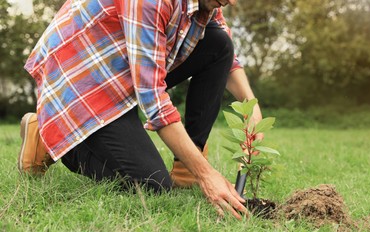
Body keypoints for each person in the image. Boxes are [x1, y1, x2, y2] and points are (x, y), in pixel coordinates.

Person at [18, 0, 263, 220]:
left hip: (121, 69)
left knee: (219, 43)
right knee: (152, 185)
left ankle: (185, 169)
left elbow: (225, 55)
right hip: (80, 80)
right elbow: (154, 101)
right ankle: (48, 135)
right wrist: (207, 175)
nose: (231, 1)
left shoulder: (206, 4)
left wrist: (252, 106)